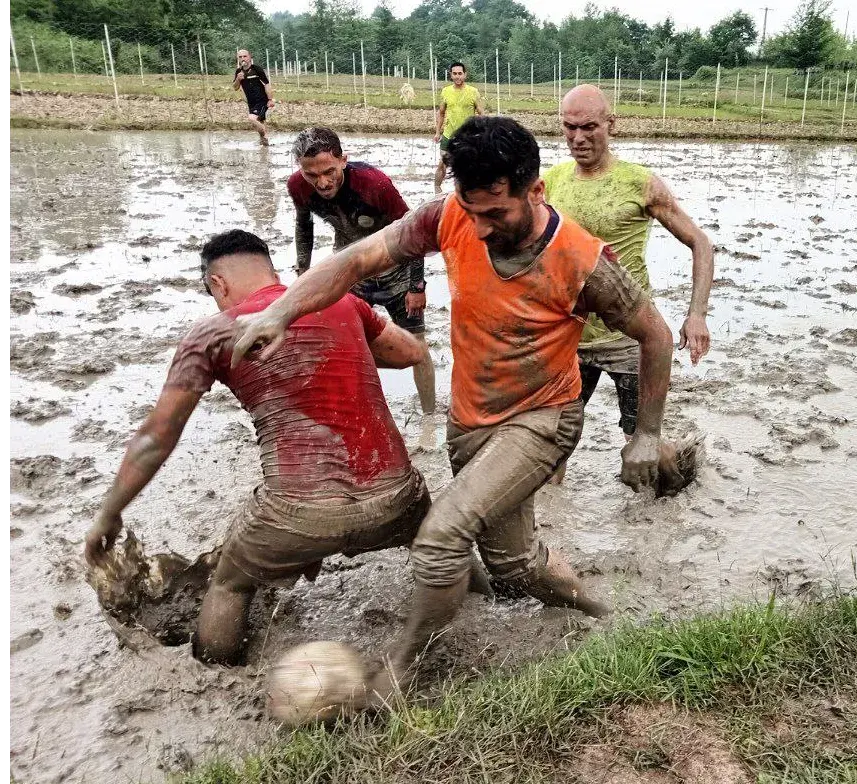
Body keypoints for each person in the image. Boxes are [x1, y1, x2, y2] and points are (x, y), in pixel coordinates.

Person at [231, 116, 675, 705]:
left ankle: (398, 674)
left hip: (543, 417)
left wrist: (646, 433)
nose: (481, 228)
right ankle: (606, 618)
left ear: (535, 190)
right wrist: (281, 311)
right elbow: (357, 261)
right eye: (472, 211)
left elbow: (656, 335)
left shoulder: (582, 260)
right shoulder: (449, 216)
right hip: (470, 421)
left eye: (496, 213)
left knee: (441, 536)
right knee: (515, 565)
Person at [84, 230, 433, 665]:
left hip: (295, 515)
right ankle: (487, 602)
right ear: (272, 271)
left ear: (217, 284)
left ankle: (212, 674)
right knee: (437, 540)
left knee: (230, 581)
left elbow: (156, 438)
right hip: (395, 497)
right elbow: (410, 353)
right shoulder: (343, 302)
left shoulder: (211, 334)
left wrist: (109, 514)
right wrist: (351, 335)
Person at [543, 84, 714, 482]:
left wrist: (697, 315)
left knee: (643, 449)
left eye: (589, 127)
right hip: (569, 338)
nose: (578, 138)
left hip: (629, 338)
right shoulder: (550, 182)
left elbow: (700, 243)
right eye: (569, 127)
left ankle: (683, 474)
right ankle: (550, 515)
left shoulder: (641, 183)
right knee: (552, 446)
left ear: (611, 125)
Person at [289, 127, 436, 415]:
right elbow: (303, 225)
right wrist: (303, 270)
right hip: (350, 275)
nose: (322, 182)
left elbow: (414, 233)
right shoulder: (298, 186)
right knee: (345, 344)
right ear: (300, 169)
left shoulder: (375, 185)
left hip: (396, 274)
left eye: (329, 171)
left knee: (417, 345)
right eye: (311, 175)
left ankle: (429, 416)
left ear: (343, 160)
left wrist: (417, 286)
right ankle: (355, 409)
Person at [433, 62, 483, 194]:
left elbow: (481, 113)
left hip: (467, 137)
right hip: (448, 135)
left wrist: (479, 131)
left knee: (466, 166)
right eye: (454, 74)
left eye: (460, 73)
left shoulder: (473, 92)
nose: (457, 76)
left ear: (465, 75)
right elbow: (441, 113)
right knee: (442, 164)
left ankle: (465, 194)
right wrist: (438, 132)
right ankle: (436, 191)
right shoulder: (446, 91)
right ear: (451, 75)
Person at [233, 49, 273, 146]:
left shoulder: (257, 69)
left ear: (250, 57)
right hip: (251, 102)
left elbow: (266, 85)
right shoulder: (239, 71)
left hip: (262, 100)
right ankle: (264, 143)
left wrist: (270, 99)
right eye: (240, 57)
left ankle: (264, 135)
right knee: (259, 121)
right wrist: (238, 79)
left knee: (252, 118)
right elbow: (235, 87)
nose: (243, 59)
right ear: (238, 59)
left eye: (245, 56)